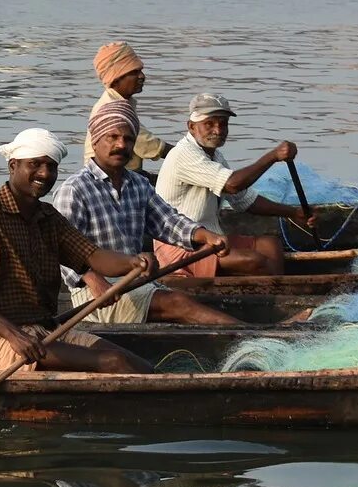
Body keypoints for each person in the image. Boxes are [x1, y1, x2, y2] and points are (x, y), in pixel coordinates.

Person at [0, 128, 158, 373]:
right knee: (114, 364)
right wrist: (14, 335)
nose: (45, 174)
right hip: (1, 338)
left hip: (45, 330)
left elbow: (93, 256)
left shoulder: (48, 217)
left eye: (51, 166)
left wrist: (133, 262)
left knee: (133, 362)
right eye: (35, 164)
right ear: (13, 166)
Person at [52, 102, 239, 325]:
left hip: (137, 282)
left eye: (128, 139)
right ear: (96, 141)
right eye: (112, 137)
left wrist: (205, 236)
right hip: (95, 296)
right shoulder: (74, 189)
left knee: (187, 302)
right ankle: (254, 336)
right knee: (177, 304)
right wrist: (94, 280)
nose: (121, 145)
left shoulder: (138, 184)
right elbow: (59, 250)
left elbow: (168, 222)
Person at [153, 93, 314, 277]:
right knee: (254, 261)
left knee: (271, 245)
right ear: (191, 127)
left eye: (223, 124)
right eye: (210, 124)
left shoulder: (215, 156)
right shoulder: (183, 154)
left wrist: (293, 213)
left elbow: (244, 200)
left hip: (212, 240)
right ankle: (270, 298)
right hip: (180, 245)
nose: (218, 130)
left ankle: (276, 292)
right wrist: (273, 156)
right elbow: (232, 185)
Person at [89, 41, 165, 172]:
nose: (142, 76)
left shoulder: (123, 102)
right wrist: (184, 155)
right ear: (116, 78)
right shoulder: (112, 108)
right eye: (134, 72)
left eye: (141, 71)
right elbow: (150, 146)